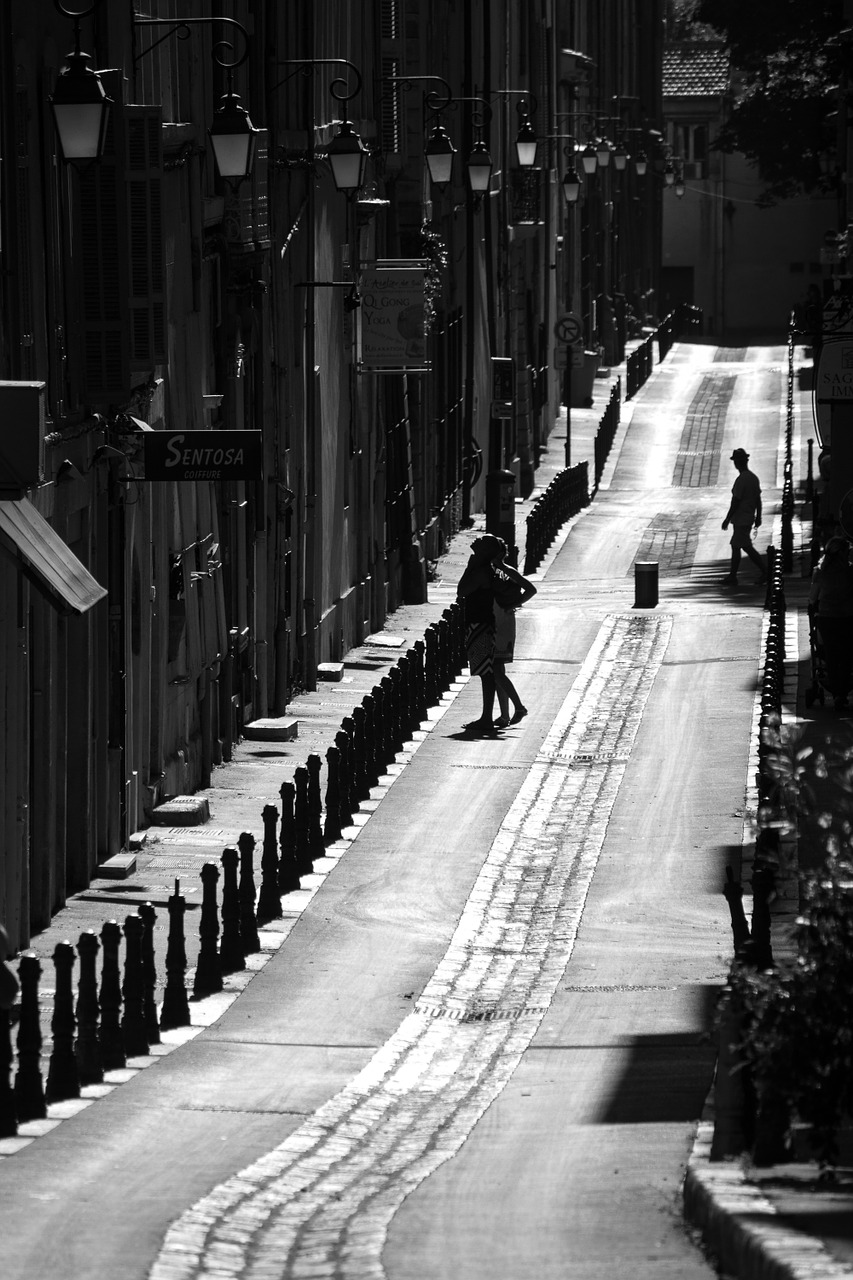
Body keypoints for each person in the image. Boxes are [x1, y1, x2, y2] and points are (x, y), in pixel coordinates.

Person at [456, 535, 504, 735]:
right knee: (486, 672)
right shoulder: (486, 569)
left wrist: (469, 566)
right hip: (482, 623)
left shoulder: (481, 572)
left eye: (481, 541)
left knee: (486, 673)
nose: (476, 540)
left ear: (485, 551)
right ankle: (487, 716)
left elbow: (462, 590)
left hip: (480, 624)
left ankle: (486, 718)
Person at [491, 544, 537, 727]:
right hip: (496, 622)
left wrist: (514, 604)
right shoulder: (491, 572)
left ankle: (519, 707)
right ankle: (504, 715)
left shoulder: (506, 571)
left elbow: (531, 589)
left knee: (496, 670)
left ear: (501, 555)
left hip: (501, 624)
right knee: (497, 672)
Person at [809, 535, 853, 709]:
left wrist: (815, 605)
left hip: (827, 619)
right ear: (841, 553)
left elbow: (813, 597)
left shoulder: (820, 572)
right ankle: (842, 691)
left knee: (832, 656)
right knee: (847, 654)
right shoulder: (850, 571)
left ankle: (837, 692)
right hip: (848, 617)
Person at [721, 448, 766, 585]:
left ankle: (765, 571)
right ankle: (733, 575)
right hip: (748, 516)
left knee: (745, 546)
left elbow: (735, 501)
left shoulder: (741, 480)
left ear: (736, 463)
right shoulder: (753, 478)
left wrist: (727, 519)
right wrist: (758, 516)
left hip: (741, 518)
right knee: (737, 546)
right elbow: (758, 499)